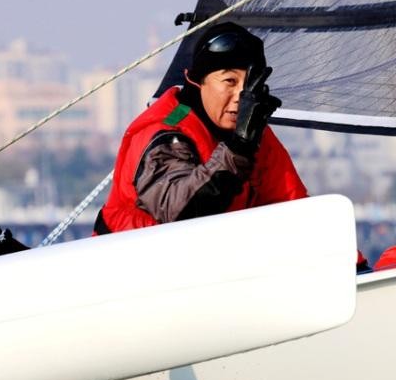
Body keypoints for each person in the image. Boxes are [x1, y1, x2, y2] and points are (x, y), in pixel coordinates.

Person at [94, 21, 308, 234]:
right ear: (198, 81)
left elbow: (291, 201)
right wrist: (239, 148)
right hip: (133, 261)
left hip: (211, 259)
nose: (242, 97)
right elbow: (181, 213)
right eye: (230, 81)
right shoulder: (164, 134)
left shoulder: (251, 131)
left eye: (250, 83)